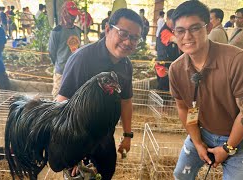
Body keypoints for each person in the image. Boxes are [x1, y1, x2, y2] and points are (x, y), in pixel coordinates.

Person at [169, 1, 243, 179]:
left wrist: (228, 148)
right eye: (180, 31)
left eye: (195, 28)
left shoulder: (236, 60)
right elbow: (184, 108)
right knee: (181, 174)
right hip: (204, 132)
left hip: (242, 137)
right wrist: (197, 142)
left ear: (209, 27)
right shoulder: (176, 69)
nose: (187, 36)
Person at [56, 8, 143, 180]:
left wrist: (127, 135)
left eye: (134, 38)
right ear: (108, 29)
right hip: (77, 140)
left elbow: (126, 101)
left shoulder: (126, 65)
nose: (128, 42)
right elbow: (61, 102)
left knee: (106, 173)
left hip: (105, 137)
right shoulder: (82, 58)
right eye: (123, 34)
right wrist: (69, 151)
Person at [49, 1, 81, 98]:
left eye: (74, 15)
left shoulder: (78, 30)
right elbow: (52, 52)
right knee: (57, 97)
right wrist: (60, 64)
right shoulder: (56, 31)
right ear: (64, 13)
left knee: (73, 97)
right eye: (71, 15)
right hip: (61, 71)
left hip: (75, 70)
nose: (73, 18)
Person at [155, 9, 182, 91]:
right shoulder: (165, 31)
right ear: (167, 19)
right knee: (164, 88)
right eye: (173, 22)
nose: (175, 24)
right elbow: (176, 40)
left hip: (172, 65)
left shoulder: (172, 30)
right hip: (164, 66)